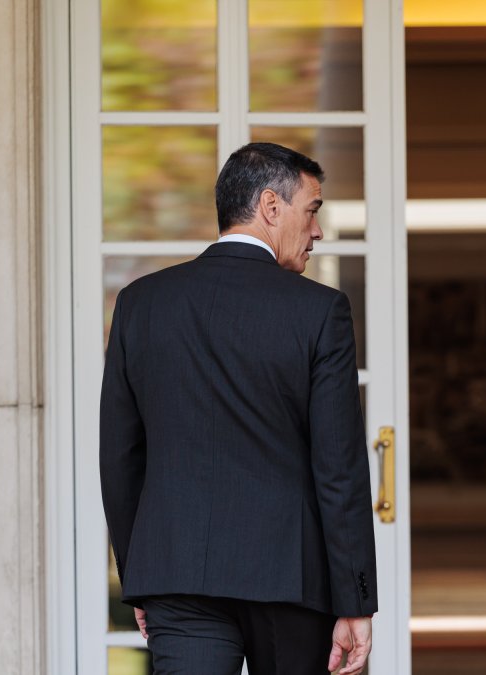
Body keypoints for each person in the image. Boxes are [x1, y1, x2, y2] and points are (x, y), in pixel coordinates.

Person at [100, 142, 377, 675]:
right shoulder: (320, 311)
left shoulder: (141, 303)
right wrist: (355, 598)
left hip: (177, 575)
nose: (317, 231)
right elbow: (339, 468)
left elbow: (119, 455)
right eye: (312, 211)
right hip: (289, 579)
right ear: (271, 207)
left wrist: (142, 575)